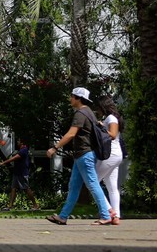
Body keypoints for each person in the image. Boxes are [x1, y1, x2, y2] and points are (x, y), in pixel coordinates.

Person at [45, 87, 112, 226]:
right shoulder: (89, 113)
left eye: (72, 96)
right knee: (74, 187)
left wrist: (55, 147)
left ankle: (105, 216)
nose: (70, 99)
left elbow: (71, 134)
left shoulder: (81, 113)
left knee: (93, 184)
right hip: (82, 155)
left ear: (78, 98)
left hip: (85, 154)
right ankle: (63, 217)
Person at [93, 95, 124, 224]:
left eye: (98, 107)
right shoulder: (111, 118)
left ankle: (109, 211)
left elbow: (112, 134)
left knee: (93, 182)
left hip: (110, 154)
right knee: (111, 186)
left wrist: (101, 126)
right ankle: (116, 216)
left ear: (103, 106)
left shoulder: (111, 118)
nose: (97, 110)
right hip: (116, 154)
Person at [0, 138, 39, 210]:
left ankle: (35, 205)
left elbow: (15, 158)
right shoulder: (21, 150)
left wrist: (4, 163)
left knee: (26, 189)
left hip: (22, 173)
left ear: (22, 142)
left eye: (18, 141)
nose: (17, 142)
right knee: (13, 188)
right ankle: (10, 206)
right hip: (17, 173)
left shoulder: (24, 150)